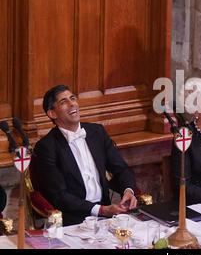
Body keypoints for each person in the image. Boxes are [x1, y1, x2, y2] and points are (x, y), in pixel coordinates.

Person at [32, 85, 138, 226]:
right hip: (74, 220)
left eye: (73, 98)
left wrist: (128, 190)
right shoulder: (46, 147)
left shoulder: (97, 132)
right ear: (52, 113)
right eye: (63, 102)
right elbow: (59, 196)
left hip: (108, 216)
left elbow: (121, 169)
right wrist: (100, 210)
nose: (72, 104)